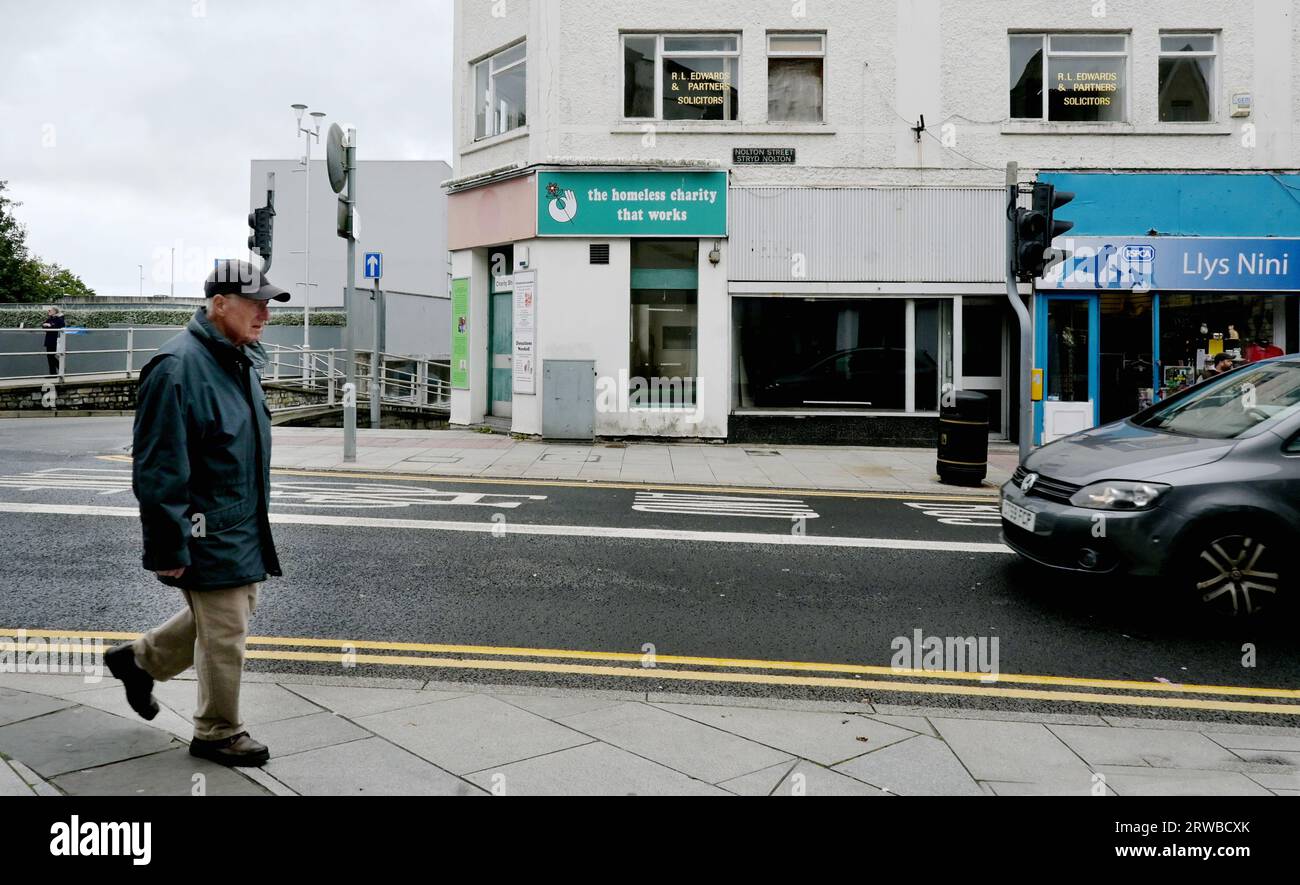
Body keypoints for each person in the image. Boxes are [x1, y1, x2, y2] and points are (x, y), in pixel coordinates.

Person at [104, 260, 290, 768]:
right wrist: (169, 546)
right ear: (219, 303)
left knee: (232, 610)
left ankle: (139, 661)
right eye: (256, 303)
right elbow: (159, 468)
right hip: (207, 528)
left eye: (269, 304)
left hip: (242, 523)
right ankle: (217, 731)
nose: (265, 314)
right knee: (226, 629)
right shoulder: (178, 368)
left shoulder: (238, 359)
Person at [41, 307, 65, 376]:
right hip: (49, 339)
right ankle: (53, 373)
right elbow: (43, 325)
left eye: (50, 310)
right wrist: (47, 325)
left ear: (55, 311)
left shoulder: (59, 319)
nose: (49, 311)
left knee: (51, 356)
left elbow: (59, 326)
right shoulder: (50, 318)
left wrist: (49, 325)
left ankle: (59, 368)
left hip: (55, 340)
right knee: (49, 356)